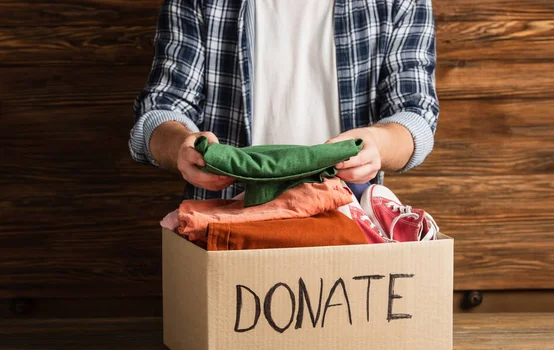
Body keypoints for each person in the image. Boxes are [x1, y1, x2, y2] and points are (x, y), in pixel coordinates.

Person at [129, 0, 438, 201]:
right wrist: (182, 147)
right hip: (226, 225)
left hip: (351, 221)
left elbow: (415, 114)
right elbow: (160, 110)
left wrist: (378, 144)